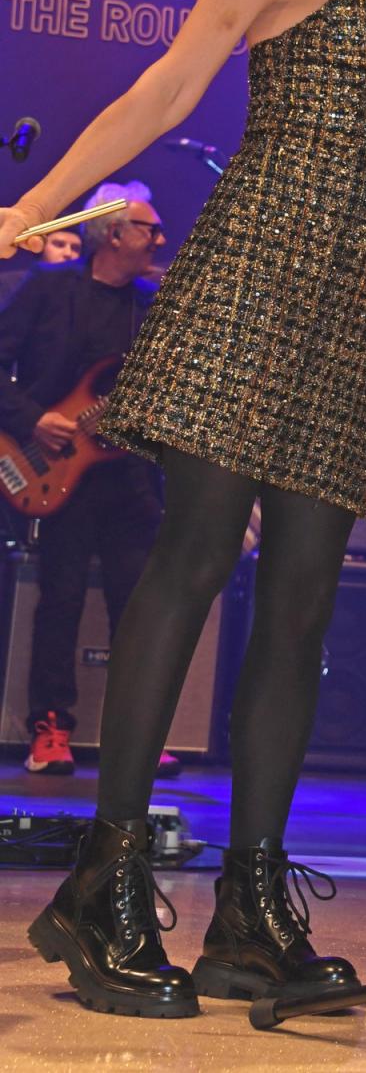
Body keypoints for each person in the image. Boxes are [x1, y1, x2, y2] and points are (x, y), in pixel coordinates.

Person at [0, 0, 366, 1018]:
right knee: (194, 559)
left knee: (306, 604)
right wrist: (36, 204)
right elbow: (171, 82)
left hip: (342, 330)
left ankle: (252, 909)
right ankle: (104, 884)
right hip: (253, 279)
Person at [0, 181, 182, 779]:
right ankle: (51, 726)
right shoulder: (50, 290)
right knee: (62, 598)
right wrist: (35, 419)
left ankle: (138, 732)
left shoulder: (153, 307)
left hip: (127, 476)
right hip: (53, 468)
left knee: (142, 605)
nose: (158, 237)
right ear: (111, 234)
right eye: (147, 228)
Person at [0, 226, 81, 308]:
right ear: (41, 247)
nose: (68, 253)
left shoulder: (81, 289)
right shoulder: (9, 282)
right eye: (59, 245)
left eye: (75, 248)